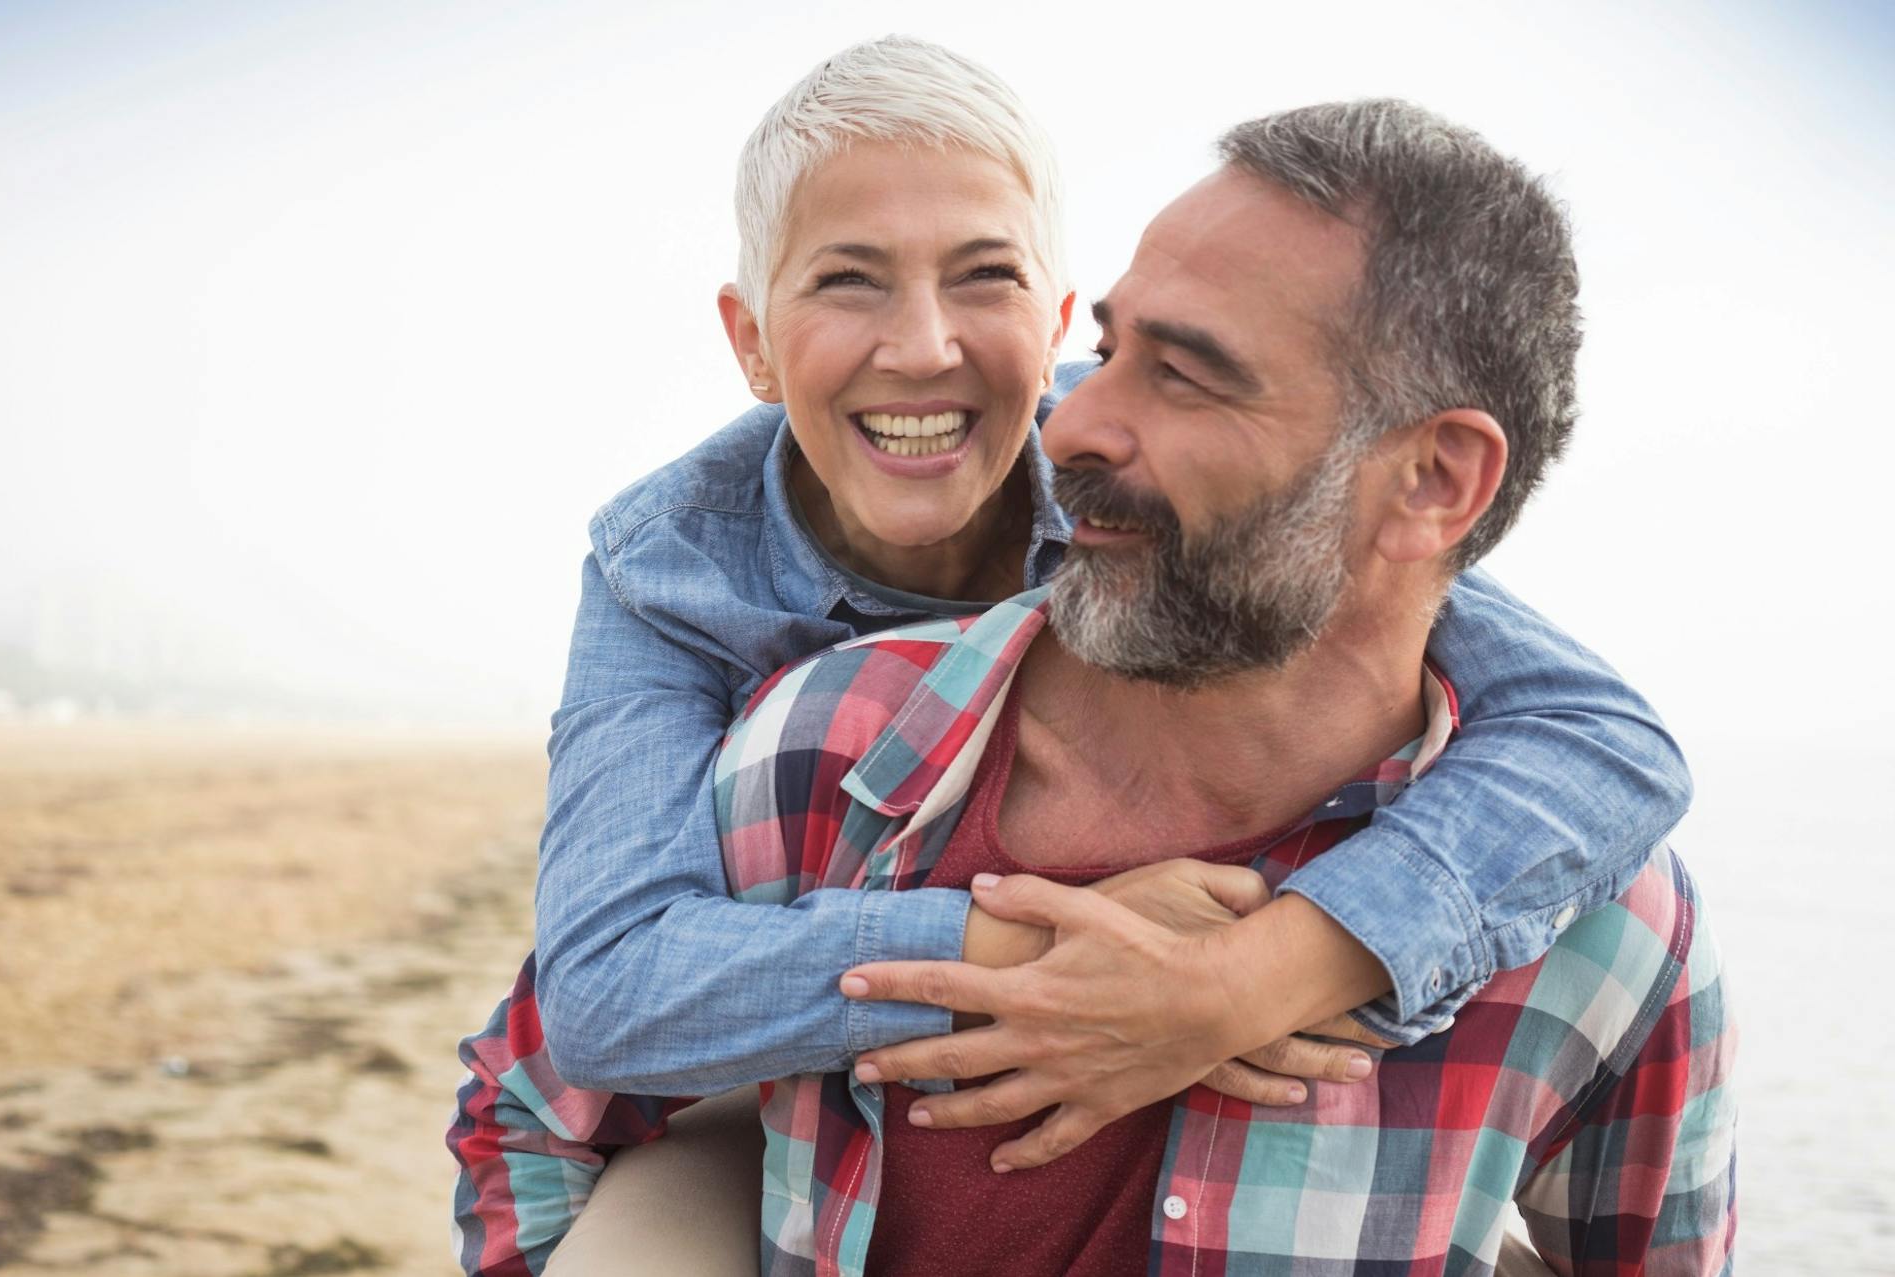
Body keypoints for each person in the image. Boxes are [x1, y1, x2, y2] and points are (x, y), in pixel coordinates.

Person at [448, 40, 1696, 1275]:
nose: (925, 345)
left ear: (1055, 330)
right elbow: (604, 993)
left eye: (982, 277)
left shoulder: (1139, 472)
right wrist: (1033, 951)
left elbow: (1594, 733)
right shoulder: (676, 579)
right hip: (787, 1068)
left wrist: (1255, 972)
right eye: (848, 280)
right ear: (753, 342)